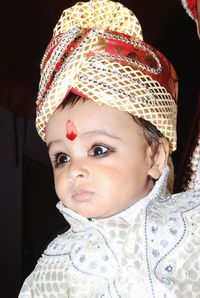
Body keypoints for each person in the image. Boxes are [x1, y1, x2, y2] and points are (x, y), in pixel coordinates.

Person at [19, 0, 200, 297]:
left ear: (155, 156)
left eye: (99, 150)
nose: (74, 170)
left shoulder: (190, 223)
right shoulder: (58, 267)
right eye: (61, 157)